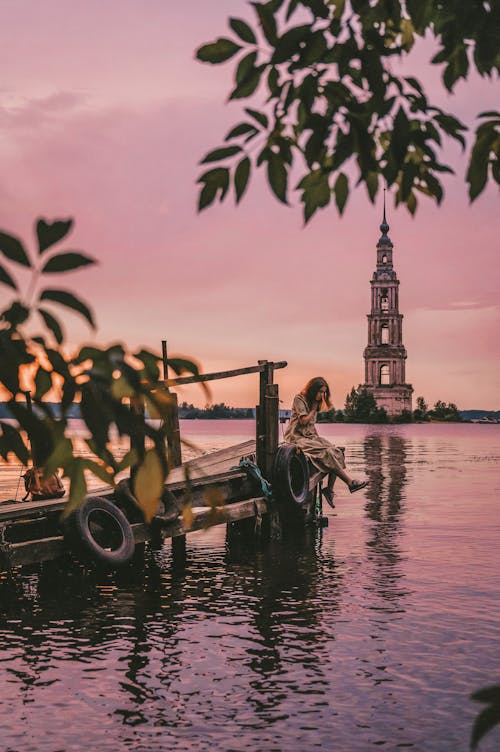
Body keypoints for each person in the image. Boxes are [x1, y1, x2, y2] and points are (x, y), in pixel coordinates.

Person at [284, 376, 367, 508]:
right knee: (327, 453)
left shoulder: (314, 402)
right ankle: (350, 482)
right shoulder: (299, 399)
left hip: (311, 437)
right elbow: (303, 421)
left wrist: (318, 440)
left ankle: (329, 490)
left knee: (337, 451)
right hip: (297, 438)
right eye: (320, 391)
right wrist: (313, 409)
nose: (322, 395)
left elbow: (311, 426)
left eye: (324, 392)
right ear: (313, 390)